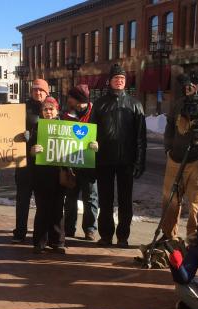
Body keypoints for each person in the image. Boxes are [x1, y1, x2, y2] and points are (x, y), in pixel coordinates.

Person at [30, 97, 98, 254]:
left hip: (59, 175)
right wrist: (33, 151)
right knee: (42, 209)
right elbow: (28, 151)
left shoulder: (65, 127)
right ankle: (39, 242)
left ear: (56, 110)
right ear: (42, 111)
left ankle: (57, 242)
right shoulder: (36, 127)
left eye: (51, 108)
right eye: (45, 109)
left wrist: (92, 147)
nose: (48, 112)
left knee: (57, 209)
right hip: (41, 176)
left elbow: (77, 145)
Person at [90, 63, 147, 248]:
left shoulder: (135, 105)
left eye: (122, 79)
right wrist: (92, 157)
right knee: (105, 201)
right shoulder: (99, 104)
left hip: (126, 161)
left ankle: (123, 236)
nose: (119, 81)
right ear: (110, 81)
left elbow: (141, 137)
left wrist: (140, 161)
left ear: (125, 81)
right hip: (104, 160)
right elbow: (90, 133)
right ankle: (106, 235)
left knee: (125, 202)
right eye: (116, 78)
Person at [161, 70, 198, 239]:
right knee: (170, 201)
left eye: (192, 85)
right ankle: (168, 237)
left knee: (196, 204)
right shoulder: (179, 103)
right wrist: (168, 148)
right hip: (175, 158)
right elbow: (169, 126)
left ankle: (194, 238)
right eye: (186, 85)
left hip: (197, 160)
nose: (187, 88)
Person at [13, 78, 48, 243]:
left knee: (43, 201)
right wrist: (24, 136)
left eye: (41, 90)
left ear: (46, 92)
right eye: (35, 90)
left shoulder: (51, 108)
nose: (38, 92)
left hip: (44, 164)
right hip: (25, 162)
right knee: (22, 200)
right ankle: (20, 232)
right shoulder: (22, 109)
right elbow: (10, 130)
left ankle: (41, 235)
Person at [62, 84, 98, 241]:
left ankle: (89, 229)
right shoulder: (67, 114)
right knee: (70, 197)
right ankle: (69, 228)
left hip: (90, 163)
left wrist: (98, 144)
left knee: (90, 197)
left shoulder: (95, 113)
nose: (68, 99)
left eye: (71, 97)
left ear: (78, 100)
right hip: (72, 163)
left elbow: (102, 133)